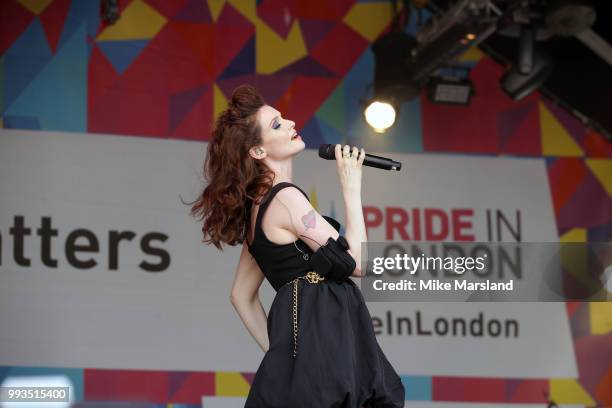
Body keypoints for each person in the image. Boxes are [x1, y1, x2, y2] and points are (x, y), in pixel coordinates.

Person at [190, 85, 405, 407]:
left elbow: (240, 295)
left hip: (315, 339)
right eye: (277, 124)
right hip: (325, 332)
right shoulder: (286, 198)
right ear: (258, 152)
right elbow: (358, 263)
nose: (290, 123)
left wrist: (281, 358)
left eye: (284, 118)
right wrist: (351, 187)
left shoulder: (257, 208)